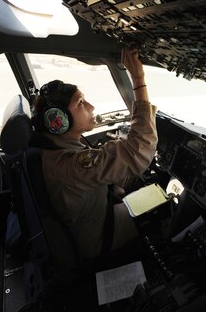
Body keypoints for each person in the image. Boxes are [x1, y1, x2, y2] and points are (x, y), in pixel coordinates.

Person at [31, 48, 158, 261]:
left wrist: (110, 187)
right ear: (59, 122)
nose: (91, 107)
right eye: (81, 103)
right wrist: (138, 78)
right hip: (99, 236)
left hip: (93, 211)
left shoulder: (53, 148)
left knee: (135, 178)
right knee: (163, 205)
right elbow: (140, 148)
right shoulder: (70, 165)